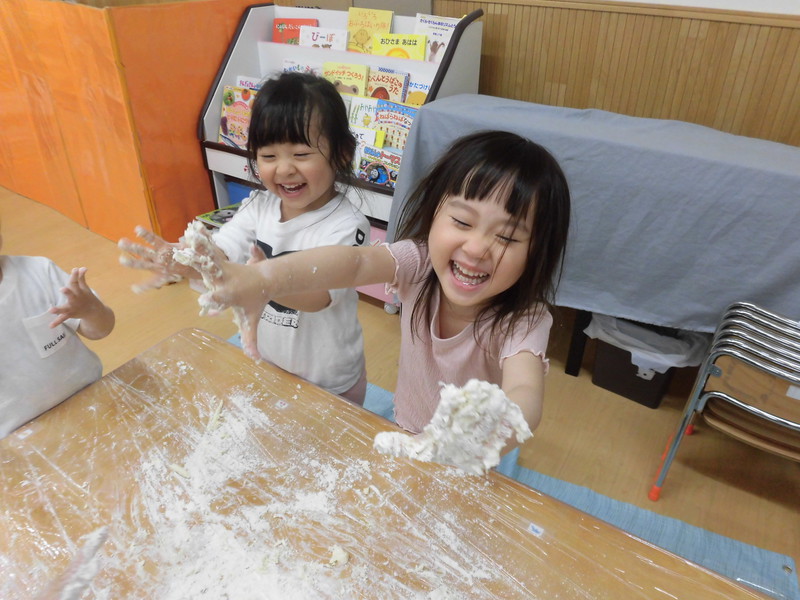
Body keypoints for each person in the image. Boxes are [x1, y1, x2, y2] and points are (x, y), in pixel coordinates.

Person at [187, 130, 571, 471]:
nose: (477, 248)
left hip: (473, 455)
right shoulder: (419, 263)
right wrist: (266, 278)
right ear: (434, 214)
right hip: (404, 426)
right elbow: (354, 264)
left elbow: (525, 394)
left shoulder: (524, 319)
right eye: (462, 222)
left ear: (537, 252)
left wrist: (481, 436)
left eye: (506, 238)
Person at [119, 72, 370, 405]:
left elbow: (321, 296)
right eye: (268, 156)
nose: (284, 169)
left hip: (330, 379)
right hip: (269, 362)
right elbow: (220, 254)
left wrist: (264, 280)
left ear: (342, 153)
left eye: (300, 154)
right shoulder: (258, 207)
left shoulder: (347, 225)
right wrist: (186, 262)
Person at [0, 218, 116, 439]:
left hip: (91, 400)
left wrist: (91, 310)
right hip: (20, 440)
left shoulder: (38, 271)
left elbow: (102, 329)